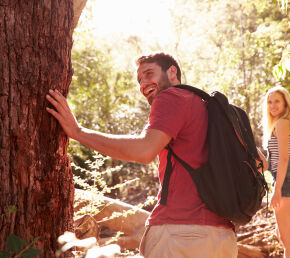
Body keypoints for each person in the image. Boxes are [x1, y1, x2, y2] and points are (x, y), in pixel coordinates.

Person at [46, 52, 237, 258]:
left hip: (179, 235)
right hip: (223, 238)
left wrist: (78, 132)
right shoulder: (211, 110)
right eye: (139, 79)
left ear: (172, 71)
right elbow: (256, 161)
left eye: (149, 73)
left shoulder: (172, 97)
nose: (143, 83)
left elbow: (144, 151)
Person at [258, 86, 290, 258]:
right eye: (270, 102)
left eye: (277, 101)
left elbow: (284, 159)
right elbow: (268, 165)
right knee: (285, 238)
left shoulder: (282, 123)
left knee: (289, 241)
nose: (273, 106)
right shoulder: (284, 124)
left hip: (287, 184)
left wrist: (277, 189)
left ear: (285, 104)